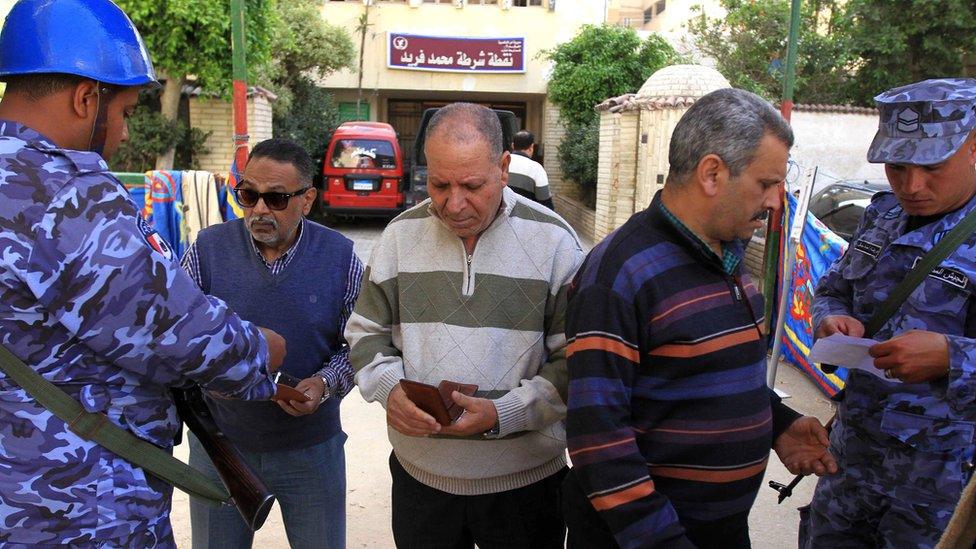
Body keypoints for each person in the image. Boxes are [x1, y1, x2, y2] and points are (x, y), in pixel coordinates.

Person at [0, 0, 285, 546]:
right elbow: (182, 334)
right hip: (76, 509)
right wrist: (262, 352)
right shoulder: (68, 196)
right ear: (87, 98)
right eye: (126, 111)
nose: (125, 133)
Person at [562, 87, 836, 549]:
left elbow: (709, 376)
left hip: (719, 532)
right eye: (766, 183)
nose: (774, 202)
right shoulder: (619, 275)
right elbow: (597, 442)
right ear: (712, 173)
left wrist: (777, 422)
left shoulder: (725, 257)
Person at [345, 102, 584, 548]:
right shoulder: (399, 237)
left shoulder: (556, 243)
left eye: (472, 185)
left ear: (504, 167)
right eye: (439, 184)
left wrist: (502, 414)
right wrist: (389, 390)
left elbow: (576, 362)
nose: (454, 204)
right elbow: (365, 332)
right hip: (422, 483)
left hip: (526, 487)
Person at [806, 78, 976, 547]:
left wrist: (950, 357)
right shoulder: (882, 214)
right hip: (851, 463)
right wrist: (831, 318)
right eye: (897, 167)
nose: (912, 186)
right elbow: (832, 288)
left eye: (932, 166)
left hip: (936, 487)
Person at [181, 138, 361, 548]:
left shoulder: (341, 257)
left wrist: (324, 383)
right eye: (249, 195)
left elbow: (361, 345)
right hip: (220, 448)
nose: (259, 209)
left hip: (312, 450)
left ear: (307, 199)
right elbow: (177, 336)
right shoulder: (206, 250)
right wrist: (211, 376)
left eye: (276, 198)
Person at [507, 130, 554, 209]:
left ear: (512, 145)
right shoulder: (537, 169)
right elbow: (545, 202)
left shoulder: (502, 163)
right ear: (531, 147)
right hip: (525, 218)